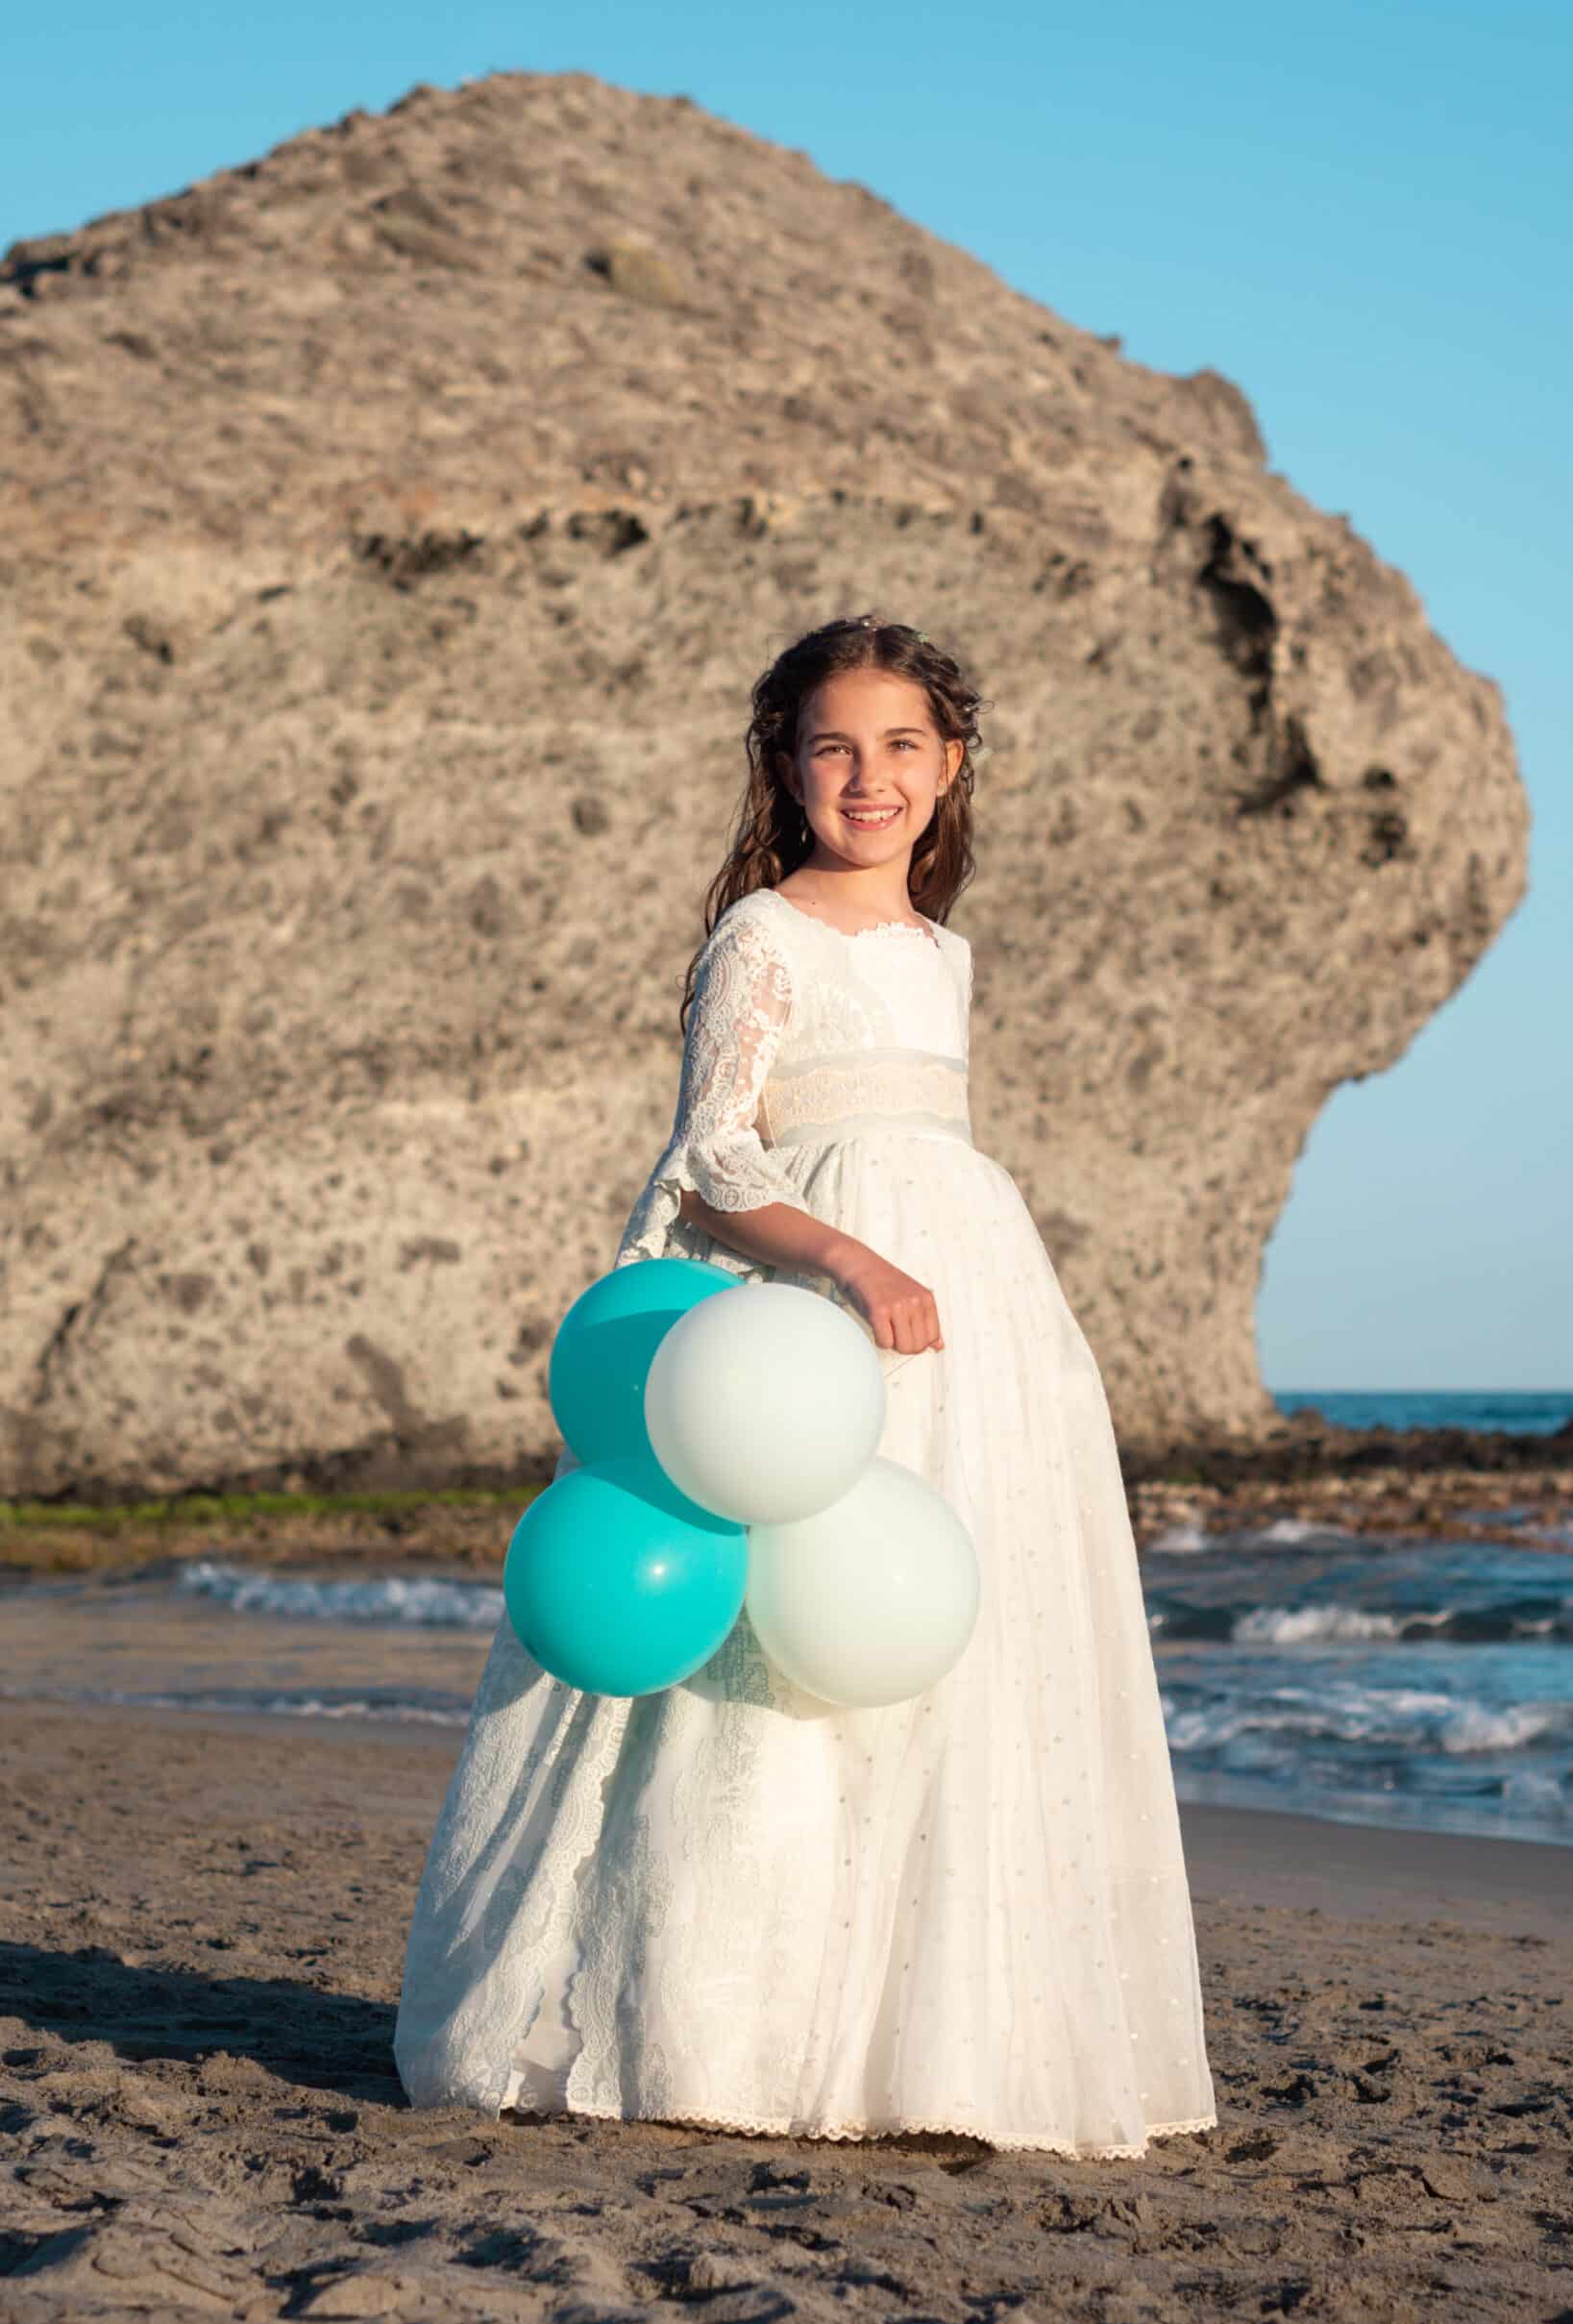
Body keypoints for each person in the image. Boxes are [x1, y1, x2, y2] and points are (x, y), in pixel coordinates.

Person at [393, 613, 1217, 2161]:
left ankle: (938, 2041)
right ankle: (730, 2028)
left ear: (952, 763)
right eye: (834, 744)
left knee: (954, 1646)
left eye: (904, 744)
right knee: (787, 1651)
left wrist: (927, 1271)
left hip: (970, 1297)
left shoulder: (940, 953)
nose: (870, 775)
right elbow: (712, 1160)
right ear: (785, 765)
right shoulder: (760, 939)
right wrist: (848, 1263)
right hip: (814, 1317)